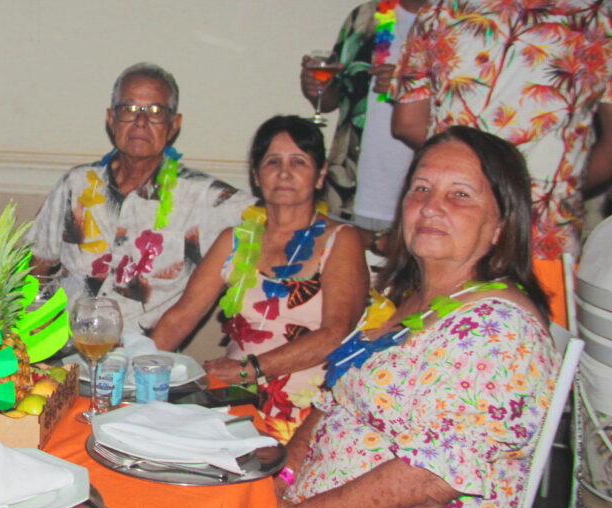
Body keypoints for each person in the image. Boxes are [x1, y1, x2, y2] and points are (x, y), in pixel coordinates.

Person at [223, 127, 558, 508]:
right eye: (420, 189)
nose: (432, 206)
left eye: (460, 194)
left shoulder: (498, 331)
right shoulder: (407, 301)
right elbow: (328, 406)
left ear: (502, 225)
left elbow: (423, 489)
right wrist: (280, 479)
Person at [391, 0, 612, 327]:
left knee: (422, 363)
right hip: (544, 237)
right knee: (535, 365)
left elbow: (407, 122)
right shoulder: (596, 17)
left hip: (446, 230)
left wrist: (462, 179)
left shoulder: (441, 10)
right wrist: (553, 187)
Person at [152, 116, 368, 442]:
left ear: (321, 174)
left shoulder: (342, 241)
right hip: (234, 403)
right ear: (256, 175)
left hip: (310, 415)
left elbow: (335, 335)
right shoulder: (234, 240)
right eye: (272, 162)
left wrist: (251, 369)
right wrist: (136, 373)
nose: (284, 173)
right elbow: (180, 319)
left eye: (299, 161)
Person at [28, 62, 253, 333]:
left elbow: (284, 220)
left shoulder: (204, 198)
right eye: (129, 109)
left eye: (156, 111)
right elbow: (34, 266)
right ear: (112, 119)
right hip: (62, 349)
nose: (141, 121)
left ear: (173, 125)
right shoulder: (75, 184)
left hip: (142, 360)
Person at [301, 0, 426, 238]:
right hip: (349, 190)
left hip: (420, 197)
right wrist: (318, 88)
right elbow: (331, 100)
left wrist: (406, 86)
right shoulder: (364, 17)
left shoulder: (457, 23)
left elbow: (465, 110)